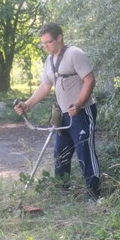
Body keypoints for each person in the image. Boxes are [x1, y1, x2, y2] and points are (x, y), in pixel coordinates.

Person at [14, 22, 101, 200]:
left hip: (82, 113)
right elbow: (45, 86)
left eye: (48, 42)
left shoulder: (75, 54)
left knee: (85, 153)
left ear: (59, 38)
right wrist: (27, 104)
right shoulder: (49, 61)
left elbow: (90, 80)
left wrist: (77, 104)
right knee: (60, 155)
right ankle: (63, 194)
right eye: (43, 43)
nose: (45, 46)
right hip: (62, 116)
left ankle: (95, 197)